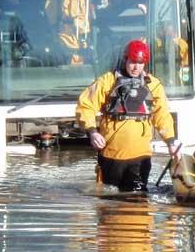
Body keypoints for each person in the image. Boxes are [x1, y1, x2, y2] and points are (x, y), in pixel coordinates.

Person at [76, 39, 179, 193]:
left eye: (140, 63)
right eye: (132, 62)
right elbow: (86, 106)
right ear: (125, 59)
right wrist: (92, 132)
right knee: (110, 201)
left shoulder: (154, 85)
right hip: (111, 156)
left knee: (137, 199)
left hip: (140, 157)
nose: (136, 67)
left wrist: (171, 142)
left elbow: (162, 115)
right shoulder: (107, 81)